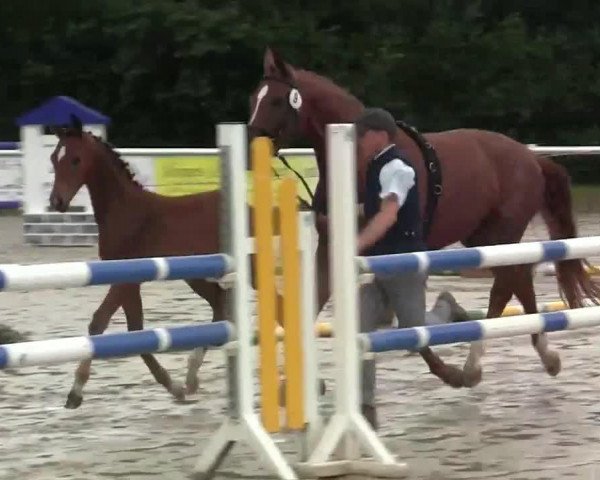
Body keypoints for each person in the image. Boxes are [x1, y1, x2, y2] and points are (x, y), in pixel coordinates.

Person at [354, 107, 468, 429]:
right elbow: (374, 207)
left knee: (414, 332)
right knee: (357, 332)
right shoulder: (376, 166)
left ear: (378, 135)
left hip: (404, 265)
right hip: (379, 267)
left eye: (361, 136)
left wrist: (356, 245)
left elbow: (388, 214)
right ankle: (365, 408)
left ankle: (446, 306)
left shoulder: (397, 167)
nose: (358, 143)